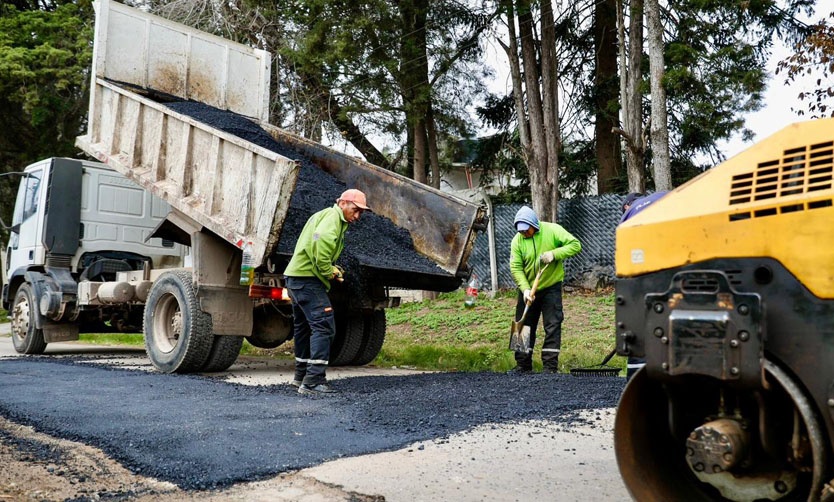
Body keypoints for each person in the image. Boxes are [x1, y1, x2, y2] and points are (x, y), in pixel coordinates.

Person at [284, 189, 370, 395]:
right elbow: (320, 245)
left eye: (361, 213)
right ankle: (313, 381)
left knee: (304, 327)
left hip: (296, 278)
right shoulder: (333, 218)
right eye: (355, 210)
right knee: (324, 326)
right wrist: (329, 271)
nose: (357, 216)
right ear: (343, 203)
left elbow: (317, 242)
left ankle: (301, 376)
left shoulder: (326, 216)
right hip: (307, 279)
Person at [508, 205, 582, 374]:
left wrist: (554, 254)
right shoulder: (517, 241)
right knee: (523, 323)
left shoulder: (553, 230)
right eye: (521, 231)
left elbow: (575, 245)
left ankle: (550, 367)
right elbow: (516, 267)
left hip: (551, 287)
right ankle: (522, 365)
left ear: (535, 225)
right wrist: (525, 289)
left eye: (527, 230)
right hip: (527, 289)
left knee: (552, 324)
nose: (524, 234)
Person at [618, 191, 668, 380]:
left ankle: (637, 379)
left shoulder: (629, 214)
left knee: (638, 323)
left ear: (626, 206)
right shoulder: (666, 196)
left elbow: (624, 253)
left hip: (646, 268)